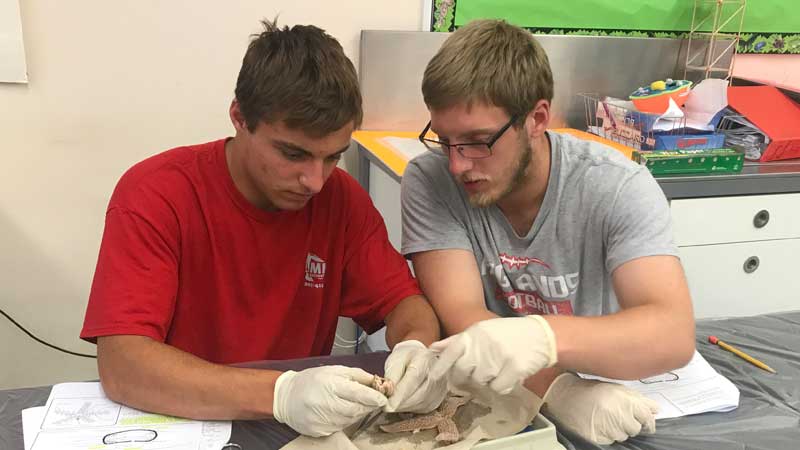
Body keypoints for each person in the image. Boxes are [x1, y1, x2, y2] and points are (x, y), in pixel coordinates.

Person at [80, 19, 446, 438]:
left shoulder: (339, 199)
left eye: (333, 157)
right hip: (180, 423)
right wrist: (281, 393)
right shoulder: (156, 194)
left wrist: (416, 347)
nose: (315, 181)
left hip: (294, 431)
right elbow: (124, 367)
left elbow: (404, 304)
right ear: (239, 117)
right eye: (294, 154)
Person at [401, 19, 695, 445]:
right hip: (497, 397)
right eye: (445, 140)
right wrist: (557, 391)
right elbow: (464, 318)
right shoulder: (430, 181)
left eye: (478, 141)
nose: (457, 164)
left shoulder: (616, 185)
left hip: (608, 386)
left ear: (537, 118)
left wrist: (542, 338)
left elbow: (670, 333)